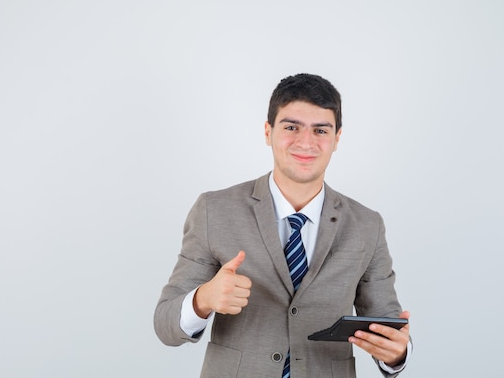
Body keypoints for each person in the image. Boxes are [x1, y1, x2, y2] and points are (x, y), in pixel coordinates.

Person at [154, 73, 411, 378]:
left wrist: (397, 354)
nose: (306, 142)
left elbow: (387, 325)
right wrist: (203, 299)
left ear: (337, 139)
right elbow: (165, 324)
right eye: (291, 127)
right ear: (268, 131)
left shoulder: (367, 225)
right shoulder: (215, 210)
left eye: (320, 130)